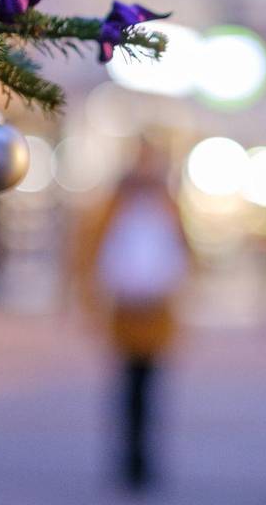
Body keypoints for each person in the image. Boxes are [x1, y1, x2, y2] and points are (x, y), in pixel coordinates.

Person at [74, 140, 189, 493]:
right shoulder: (115, 206)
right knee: (127, 390)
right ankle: (128, 461)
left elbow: (182, 252)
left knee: (149, 391)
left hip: (156, 312)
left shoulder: (166, 206)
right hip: (125, 311)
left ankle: (144, 461)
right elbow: (93, 252)